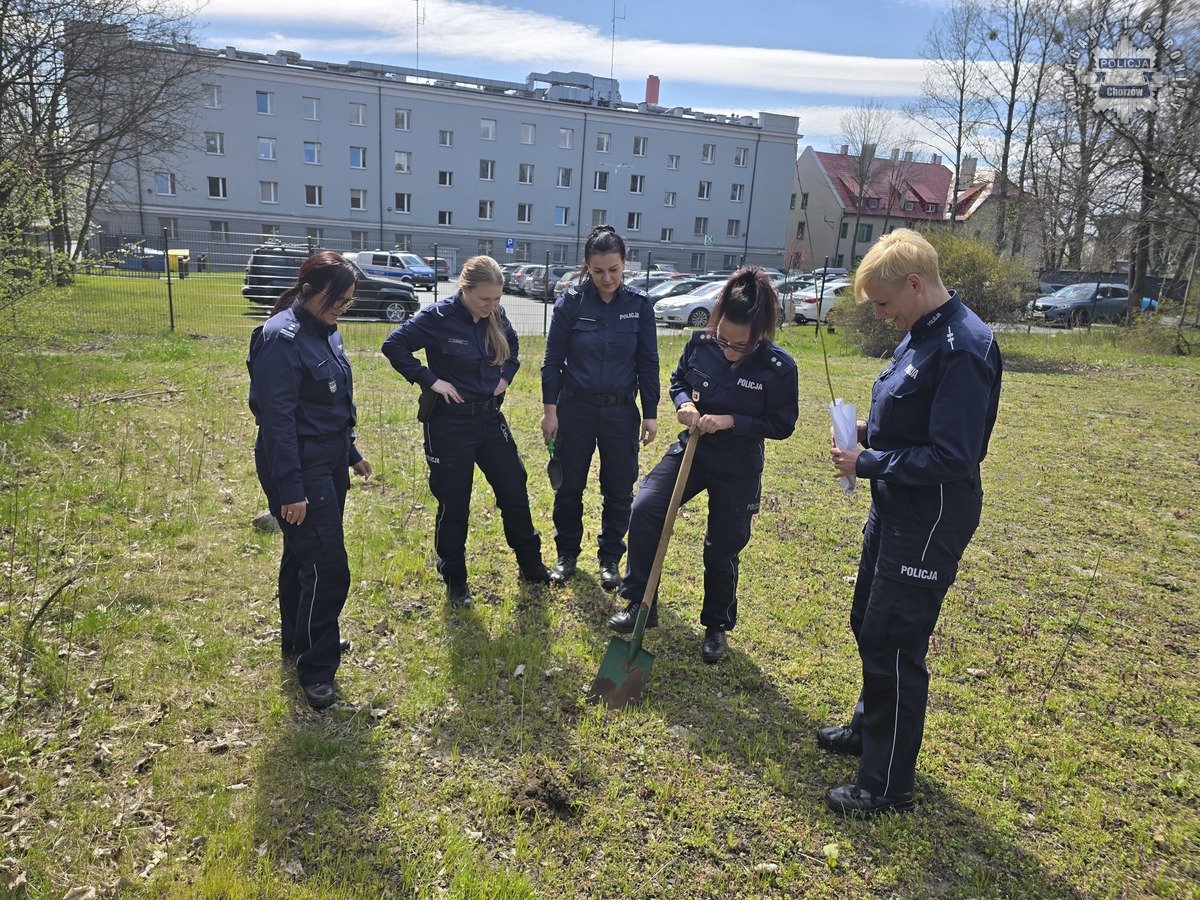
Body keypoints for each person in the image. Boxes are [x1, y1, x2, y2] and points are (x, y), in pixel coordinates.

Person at [822, 228, 1003, 816]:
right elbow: (912, 423)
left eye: (883, 304)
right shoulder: (920, 334)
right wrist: (864, 436)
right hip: (896, 505)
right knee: (867, 620)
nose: (880, 316)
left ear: (916, 284)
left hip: (931, 516)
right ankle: (869, 729)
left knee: (895, 639)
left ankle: (886, 782)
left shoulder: (962, 349)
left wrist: (867, 460)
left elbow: (953, 456)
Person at [608, 268, 798, 663]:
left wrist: (732, 421)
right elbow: (678, 381)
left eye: (739, 345)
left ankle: (716, 626)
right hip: (692, 448)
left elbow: (783, 424)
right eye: (723, 338)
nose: (728, 349)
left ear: (760, 333)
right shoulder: (701, 345)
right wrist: (684, 405)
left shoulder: (779, 368)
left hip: (739, 461)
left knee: (723, 545)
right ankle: (640, 603)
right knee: (646, 510)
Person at [381, 255, 552, 607]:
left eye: (497, 300)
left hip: (490, 421)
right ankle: (455, 578)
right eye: (484, 299)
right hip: (449, 424)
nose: (492, 307)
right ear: (465, 290)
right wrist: (430, 380)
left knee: (514, 490)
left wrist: (506, 377)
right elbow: (393, 345)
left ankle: (531, 565)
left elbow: (514, 349)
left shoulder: (497, 315)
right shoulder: (437, 318)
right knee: (454, 501)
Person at [247, 251, 373, 710]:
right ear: (308, 290)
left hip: (329, 460)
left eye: (348, 300)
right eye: (335, 298)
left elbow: (328, 404)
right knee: (328, 567)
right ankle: (317, 668)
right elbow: (277, 422)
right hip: (300, 466)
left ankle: (298, 642)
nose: (342, 306)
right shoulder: (282, 338)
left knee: (302, 555)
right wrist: (291, 490)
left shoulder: (325, 332)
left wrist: (352, 452)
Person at [540, 225, 659, 590]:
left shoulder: (639, 307)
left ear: (625, 265)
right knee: (569, 486)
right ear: (586, 268)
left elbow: (648, 362)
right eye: (598, 271)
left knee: (619, 488)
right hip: (574, 409)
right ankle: (567, 555)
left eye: (614, 269)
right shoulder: (571, 303)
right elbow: (552, 360)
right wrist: (550, 411)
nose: (607, 278)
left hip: (620, 412)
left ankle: (610, 558)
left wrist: (651, 412)